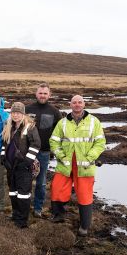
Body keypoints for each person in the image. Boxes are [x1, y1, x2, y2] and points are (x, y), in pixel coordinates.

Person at [49, 95, 106, 236]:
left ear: (84, 104)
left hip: (85, 166)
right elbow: (54, 141)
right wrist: (60, 155)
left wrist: (90, 157)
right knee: (57, 189)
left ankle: (84, 226)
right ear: (70, 105)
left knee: (85, 195)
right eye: (74, 102)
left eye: (80, 102)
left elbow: (100, 143)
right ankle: (58, 216)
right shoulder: (62, 123)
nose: (77, 105)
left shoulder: (94, 122)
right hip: (65, 164)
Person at [25, 83, 62, 217]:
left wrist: (57, 150)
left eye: (45, 93)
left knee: (40, 183)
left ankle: (38, 208)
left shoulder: (55, 112)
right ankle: (24, 205)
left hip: (44, 152)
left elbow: (60, 132)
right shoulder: (27, 109)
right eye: (40, 93)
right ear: (36, 94)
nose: (42, 95)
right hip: (27, 152)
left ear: (49, 95)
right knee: (26, 180)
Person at [2, 102, 41, 228]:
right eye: (13, 112)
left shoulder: (30, 127)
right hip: (11, 166)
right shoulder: (8, 126)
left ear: (23, 114)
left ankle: (22, 221)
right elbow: (4, 143)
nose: (16, 115)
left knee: (23, 194)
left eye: (18, 112)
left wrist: (27, 162)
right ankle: (15, 214)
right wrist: (3, 157)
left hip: (24, 167)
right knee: (13, 192)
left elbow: (36, 145)